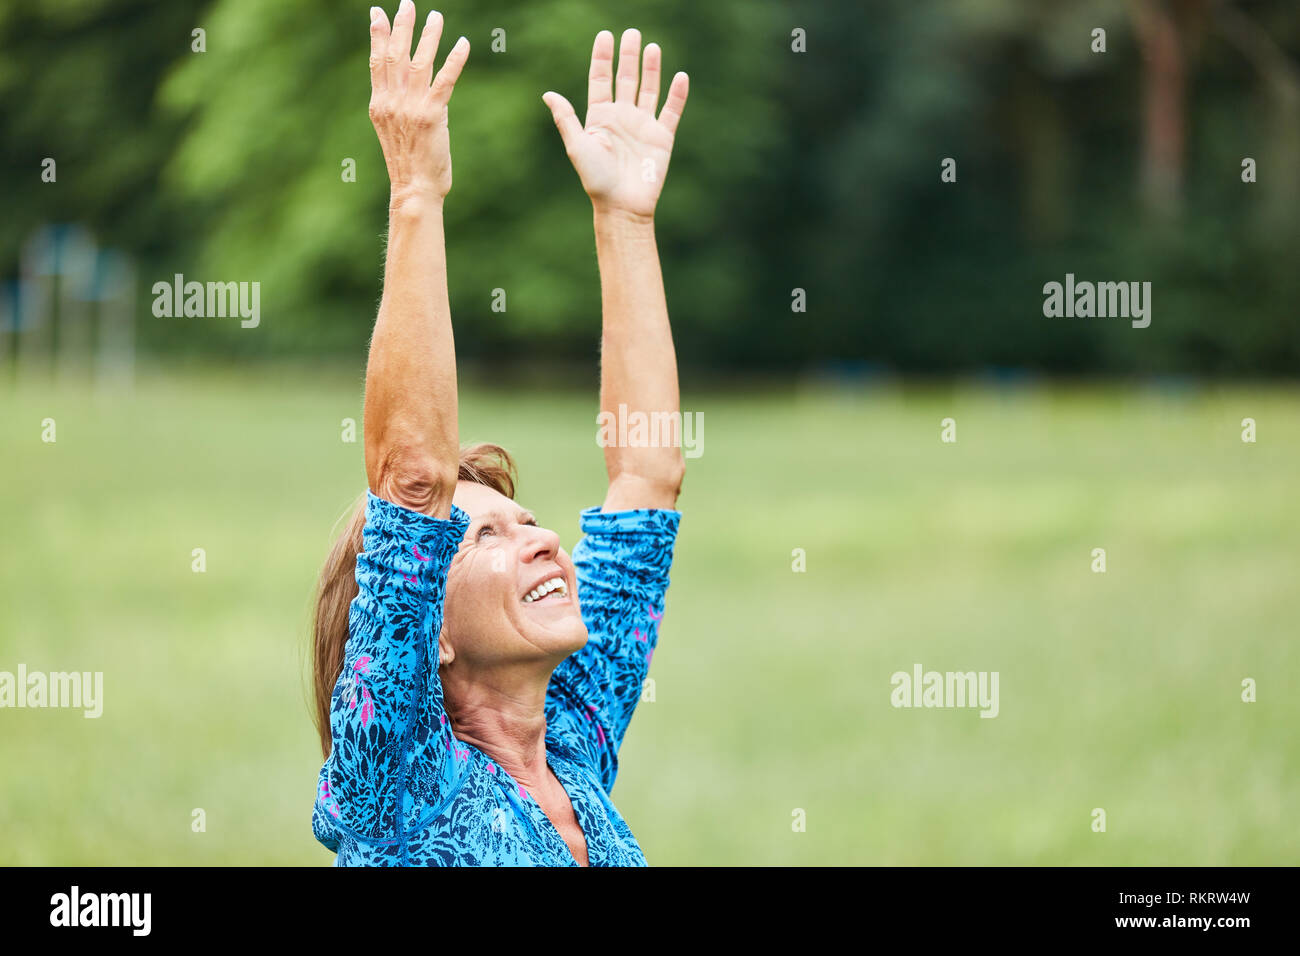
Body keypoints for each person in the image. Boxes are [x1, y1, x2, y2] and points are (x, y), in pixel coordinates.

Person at [309, 1, 690, 866]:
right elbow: (412, 481)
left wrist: (625, 222)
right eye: (485, 534)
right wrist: (415, 191)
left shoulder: (572, 746)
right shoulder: (396, 779)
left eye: (527, 523)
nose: (547, 541)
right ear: (425, 632)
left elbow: (646, 481)